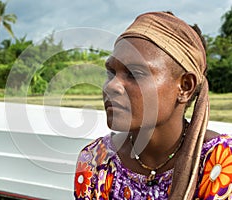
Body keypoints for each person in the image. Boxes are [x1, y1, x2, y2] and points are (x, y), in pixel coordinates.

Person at [74, 11, 232, 200]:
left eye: (134, 74)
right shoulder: (95, 161)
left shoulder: (221, 162)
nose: (111, 86)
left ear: (185, 87)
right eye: (111, 72)